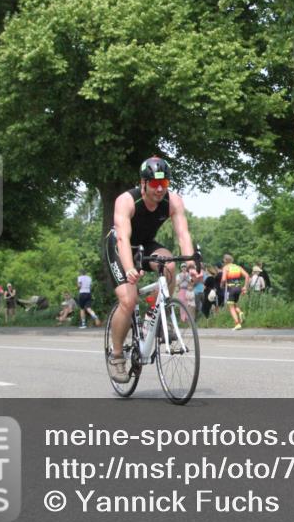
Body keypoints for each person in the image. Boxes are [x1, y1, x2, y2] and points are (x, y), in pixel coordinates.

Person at [103, 156, 196, 383]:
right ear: (143, 183)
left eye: (164, 184)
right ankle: (117, 356)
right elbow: (123, 239)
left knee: (170, 265)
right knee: (128, 300)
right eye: (154, 184)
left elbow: (183, 234)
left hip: (146, 245)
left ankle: (154, 316)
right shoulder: (126, 201)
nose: (160, 189)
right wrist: (129, 268)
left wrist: (191, 263)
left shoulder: (173, 201)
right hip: (120, 247)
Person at [219, 254, 250, 330]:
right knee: (233, 304)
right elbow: (247, 276)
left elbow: (223, 279)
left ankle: (237, 323)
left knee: (231, 307)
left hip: (231, 288)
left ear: (225, 260)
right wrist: (245, 287)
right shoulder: (238, 267)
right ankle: (240, 313)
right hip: (238, 288)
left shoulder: (226, 268)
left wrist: (221, 285)